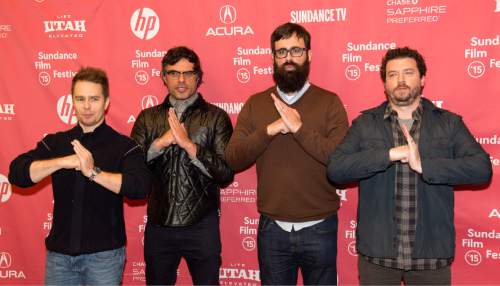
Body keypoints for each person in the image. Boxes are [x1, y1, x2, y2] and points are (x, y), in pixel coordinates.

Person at [327, 47, 492, 285]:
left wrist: (424, 165)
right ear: (384, 83)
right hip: (378, 256)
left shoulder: (449, 123)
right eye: (392, 75)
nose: (401, 80)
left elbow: (481, 169)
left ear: (423, 79)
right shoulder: (365, 124)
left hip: (431, 255)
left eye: (408, 73)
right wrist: (390, 154)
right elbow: (336, 169)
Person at [225, 22, 349, 285]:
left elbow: (341, 161)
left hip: (320, 226)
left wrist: (299, 129)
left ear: (309, 55)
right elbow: (233, 158)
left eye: (296, 50)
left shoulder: (330, 102)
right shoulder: (256, 103)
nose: (288, 58)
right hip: (273, 229)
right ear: (273, 57)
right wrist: (269, 130)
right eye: (281, 52)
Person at [8, 67, 152, 285]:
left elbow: (140, 187)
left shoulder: (124, 146)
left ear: (106, 103)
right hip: (60, 259)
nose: (86, 106)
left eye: (94, 99)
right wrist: (62, 161)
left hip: (104, 258)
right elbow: (17, 173)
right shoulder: (56, 142)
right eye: (80, 99)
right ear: (72, 102)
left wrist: (93, 172)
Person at [130, 46, 234, 285]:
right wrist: (160, 143)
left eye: (188, 73)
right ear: (163, 77)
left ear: (198, 77)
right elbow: (131, 172)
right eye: (174, 73)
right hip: (159, 225)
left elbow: (225, 174)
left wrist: (189, 146)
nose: (181, 80)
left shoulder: (216, 117)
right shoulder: (148, 118)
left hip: (202, 225)